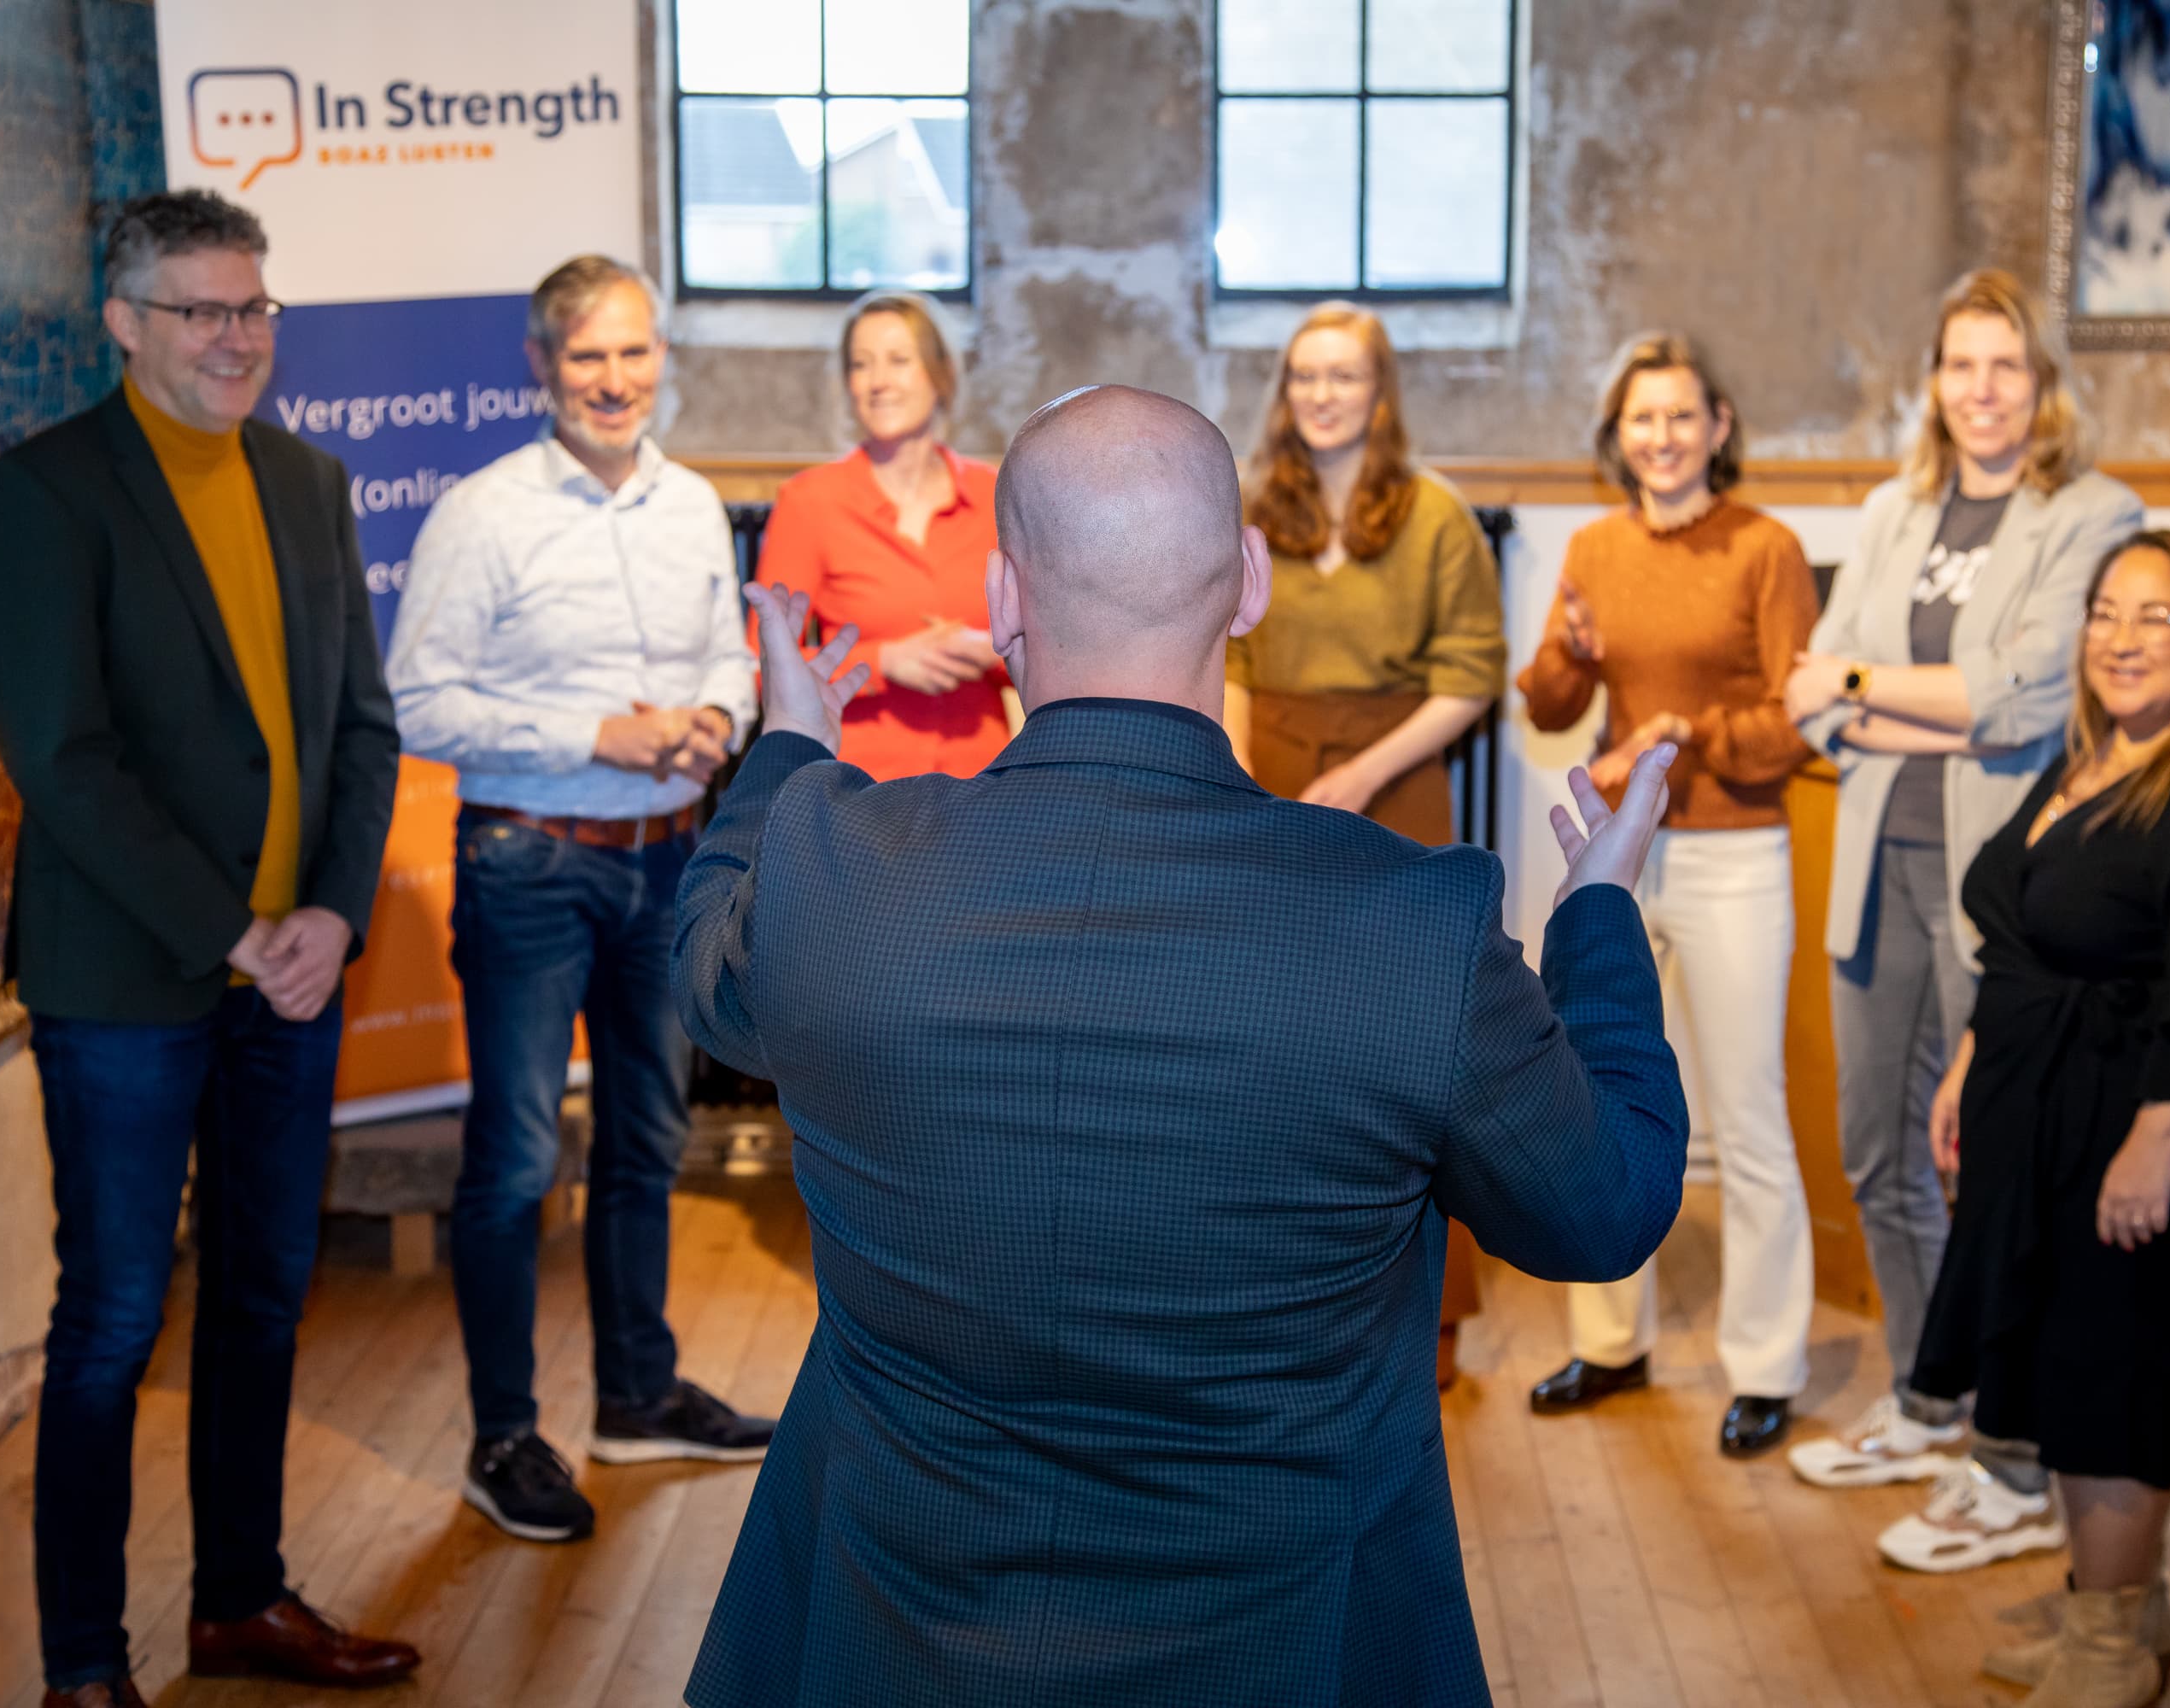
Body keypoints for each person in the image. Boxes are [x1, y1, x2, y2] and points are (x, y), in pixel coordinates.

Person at [671, 385, 1689, 1707]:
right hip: (1276, 1651)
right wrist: (1599, 919)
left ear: (1001, 600)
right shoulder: (1409, 925)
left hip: (890, 1640)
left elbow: (709, 968)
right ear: (1250, 582)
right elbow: (1603, 1208)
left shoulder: (834, 870)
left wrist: (793, 749)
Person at [0, 189, 415, 1706]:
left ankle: (240, 1600)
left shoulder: (307, 479)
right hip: (129, 984)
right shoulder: (48, 492)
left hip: (291, 974)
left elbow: (362, 726)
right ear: (124, 322)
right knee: (109, 1324)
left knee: (266, 1295)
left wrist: (332, 918)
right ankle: (86, 1667)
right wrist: (239, 932)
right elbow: (63, 756)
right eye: (203, 310)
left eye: (255, 306)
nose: (238, 337)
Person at [387, 255, 774, 1547]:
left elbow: (730, 644)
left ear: (663, 358)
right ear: (541, 368)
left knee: (647, 1143)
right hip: (532, 865)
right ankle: (505, 1436)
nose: (614, 380)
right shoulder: (483, 512)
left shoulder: (691, 503)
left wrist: (720, 709)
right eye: (585, 357)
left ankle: (637, 1394)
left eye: (634, 353)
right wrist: (593, 731)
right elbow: (418, 698)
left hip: (668, 860)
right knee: (509, 1161)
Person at [1781, 268, 2142, 1570]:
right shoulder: (1893, 508)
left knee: (1992, 1167)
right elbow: (1805, 697)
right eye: (1960, 364)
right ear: (1931, 380)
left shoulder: (2092, 513)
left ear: (2043, 385)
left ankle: (2014, 1455)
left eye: (2007, 366)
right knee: (1878, 1148)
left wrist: (1869, 685)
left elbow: (2026, 691)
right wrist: (1872, 697)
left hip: (2008, 881)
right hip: (1882, 854)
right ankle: (1928, 1397)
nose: (1981, 390)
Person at [1920, 531, 2170, 1705]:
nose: (2121, 640)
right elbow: (2029, 930)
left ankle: (2109, 1658)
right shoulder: (2097, 757)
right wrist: (1971, 1059)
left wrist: (2157, 1141)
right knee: (2067, 1375)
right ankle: (2126, 1611)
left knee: (2117, 1391)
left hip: (2141, 1123)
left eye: (2156, 619)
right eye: (2104, 613)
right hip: (2046, 1102)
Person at [1517, 333, 1822, 1456]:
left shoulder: (1767, 547)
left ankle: (1767, 1364)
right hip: (1620, 851)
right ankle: (1609, 1342)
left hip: (1737, 852)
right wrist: (1573, 651)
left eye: (1682, 416)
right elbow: (1551, 707)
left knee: (1744, 1113)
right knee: (1595, 1090)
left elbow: (1796, 723)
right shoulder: (1595, 544)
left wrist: (1693, 735)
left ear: (1720, 426)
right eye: (1642, 419)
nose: (1662, 437)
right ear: (1620, 434)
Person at [1225, 303, 1508, 1386]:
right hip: (1274, 772)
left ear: (1380, 390)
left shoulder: (1434, 515)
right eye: (1304, 376)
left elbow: (1471, 674)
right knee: (1277, 1047)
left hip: (1398, 779)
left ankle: (1432, 1318)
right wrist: (1252, 787)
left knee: (1414, 1051)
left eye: (1343, 375)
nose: (1323, 394)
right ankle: (1286, 1301)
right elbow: (1232, 658)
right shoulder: (1251, 505)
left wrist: (1362, 774)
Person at [751, 290, 1006, 780]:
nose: (878, 382)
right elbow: (765, 667)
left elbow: (1053, 651)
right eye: (861, 364)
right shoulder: (810, 501)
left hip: (984, 786)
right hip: (859, 787)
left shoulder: (994, 492)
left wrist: (995, 648)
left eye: (898, 360)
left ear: (941, 374)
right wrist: (884, 661)